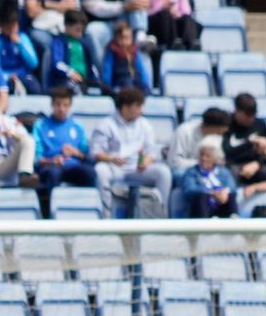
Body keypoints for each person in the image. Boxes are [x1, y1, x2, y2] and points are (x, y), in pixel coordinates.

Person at [91, 86, 171, 217]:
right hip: (115, 168)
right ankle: (106, 215)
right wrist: (111, 158)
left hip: (137, 170)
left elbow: (152, 151)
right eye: (138, 106)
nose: (141, 110)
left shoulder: (144, 125)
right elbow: (96, 153)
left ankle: (161, 213)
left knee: (163, 172)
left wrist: (146, 161)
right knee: (100, 170)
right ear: (126, 107)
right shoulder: (105, 124)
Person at [33, 84, 95, 189]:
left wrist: (76, 153)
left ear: (70, 106)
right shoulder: (40, 126)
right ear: (52, 105)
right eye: (58, 104)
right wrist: (52, 161)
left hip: (73, 167)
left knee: (90, 172)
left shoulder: (77, 126)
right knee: (53, 173)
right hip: (50, 167)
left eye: (65, 105)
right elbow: (36, 159)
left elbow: (86, 156)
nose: (61, 109)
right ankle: (49, 200)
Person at [178, 135, 236, 217]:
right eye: (202, 155)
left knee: (230, 194)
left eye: (208, 156)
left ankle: (233, 217)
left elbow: (232, 187)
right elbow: (189, 189)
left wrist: (224, 192)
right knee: (202, 196)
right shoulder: (191, 172)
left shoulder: (223, 172)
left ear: (215, 158)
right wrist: (211, 193)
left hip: (221, 204)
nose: (204, 158)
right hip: (201, 209)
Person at [0, 5, 39, 94]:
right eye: (8, 27)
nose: (12, 30)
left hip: (23, 75)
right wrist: (7, 76)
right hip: (4, 77)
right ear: (1, 26)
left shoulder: (23, 38)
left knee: (34, 87)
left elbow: (33, 63)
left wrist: (19, 44)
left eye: (14, 25)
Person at [45, 8, 100, 92]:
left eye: (82, 30)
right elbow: (57, 63)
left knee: (98, 90)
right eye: (77, 29)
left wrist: (95, 79)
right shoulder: (60, 41)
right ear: (67, 26)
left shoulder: (84, 43)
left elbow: (92, 66)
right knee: (76, 89)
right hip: (66, 80)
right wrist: (70, 72)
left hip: (84, 80)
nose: (80, 33)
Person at [169, 104, 228, 174]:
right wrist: (202, 162)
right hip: (187, 171)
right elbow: (175, 162)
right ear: (212, 127)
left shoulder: (218, 137)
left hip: (210, 170)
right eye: (219, 131)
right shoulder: (184, 131)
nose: (221, 134)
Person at [99, 19, 151, 94]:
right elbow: (107, 68)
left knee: (145, 89)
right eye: (121, 38)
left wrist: (145, 83)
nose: (124, 41)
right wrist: (106, 84)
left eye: (127, 38)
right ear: (116, 38)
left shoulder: (134, 51)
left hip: (135, 81)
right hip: (119, 82)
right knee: (127, 83)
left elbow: (141, 68)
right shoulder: (112, 50)